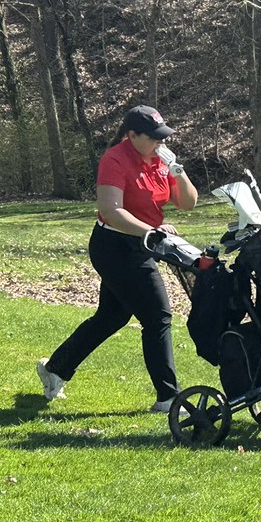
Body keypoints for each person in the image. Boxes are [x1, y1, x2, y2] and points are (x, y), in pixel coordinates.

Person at [37, 105, 199, 412]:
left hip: (142, 244)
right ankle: (168, 397)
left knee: (111, 316)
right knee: (158, 315)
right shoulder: (115, 159)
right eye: (153, 137)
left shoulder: (161, 161)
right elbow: (111, 211)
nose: (160, 142)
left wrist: (177, 169)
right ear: (132, 135)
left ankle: (55, 368)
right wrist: (152, 230)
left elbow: (187, 203)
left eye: (163, 136)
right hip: (113, 246)